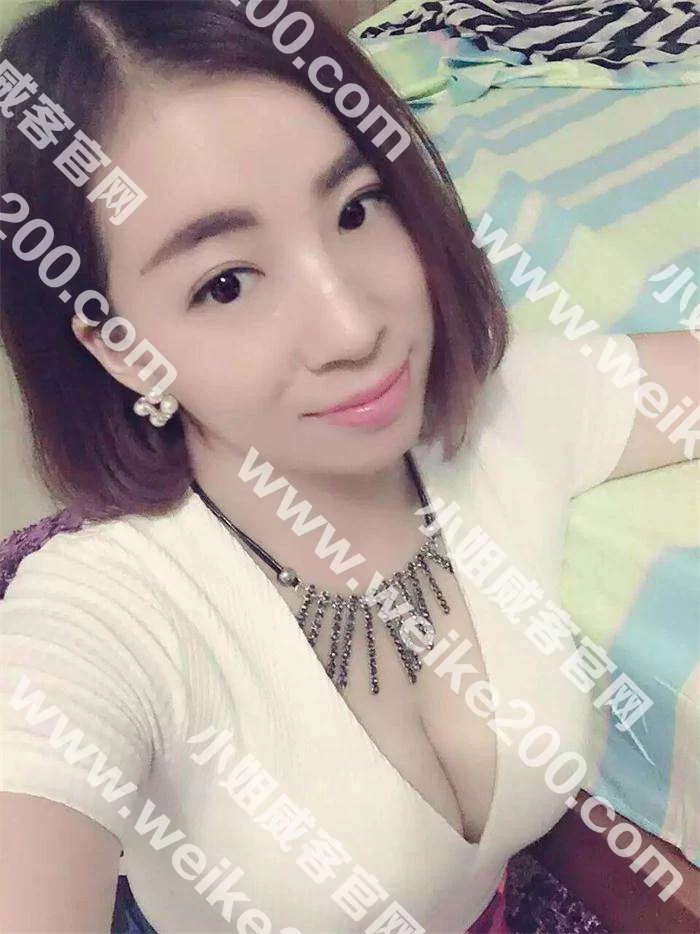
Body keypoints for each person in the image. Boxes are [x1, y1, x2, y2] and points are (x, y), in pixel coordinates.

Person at [0, 2, 696, 932]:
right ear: (122, 348)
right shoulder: (101, 614)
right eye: (226, 283)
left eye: (357, 208)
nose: (355, 327)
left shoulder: (503, 415)